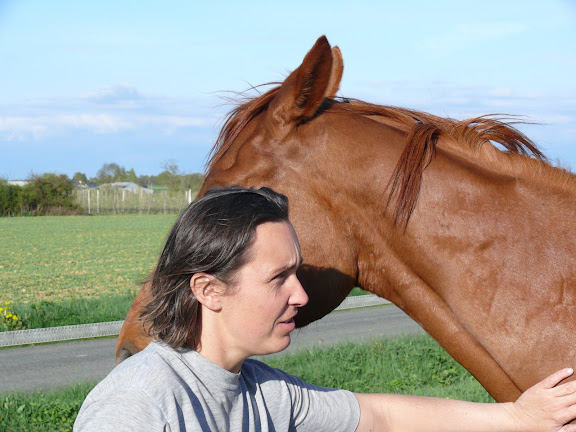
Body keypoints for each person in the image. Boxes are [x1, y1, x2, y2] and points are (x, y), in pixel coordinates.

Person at [75, 186, 576, 432]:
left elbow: (382, 415)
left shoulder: (265, 392)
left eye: (296, 273)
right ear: (209, 290)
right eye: (278, 278)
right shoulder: (137, 406)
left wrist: (519, 417)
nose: (300, 295)